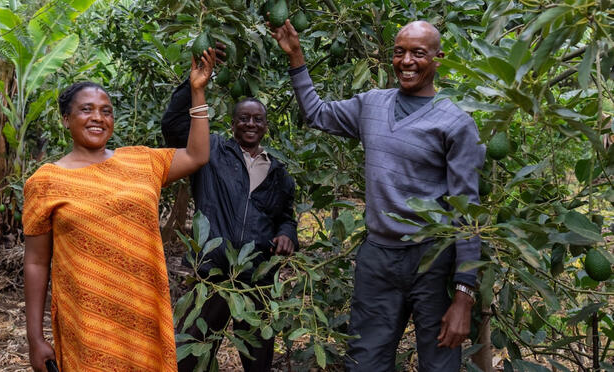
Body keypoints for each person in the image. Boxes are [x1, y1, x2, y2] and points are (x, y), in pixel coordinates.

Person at [271, 20, 485, 371]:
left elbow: (467, 210)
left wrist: (463, 295)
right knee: (365, 362)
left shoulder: (456, 121)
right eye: (399, 52)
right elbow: (316, 112)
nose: (407, 61)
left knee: (440, 362)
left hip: (432, 261)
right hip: (378, 258)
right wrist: (295, 54)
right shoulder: (372, 104)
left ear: (438, 58)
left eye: (419, 53)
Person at [23, 50, 217, 372]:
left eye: (106, 111)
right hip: (87, 323)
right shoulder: (45, 181)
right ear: (66, 119)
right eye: (86, 110)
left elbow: (197, 155)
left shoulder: (141, 161)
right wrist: (34, 337)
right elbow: (36, 262)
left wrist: (197, 91)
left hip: (143, 314)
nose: (98, 117)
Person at [161, 72, 298, 372]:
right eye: (244, 119)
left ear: (265, 126)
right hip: (211, 272)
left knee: (258, 360)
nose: (251, 124)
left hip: (256, 280)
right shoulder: (210, 152)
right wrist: (193, 85)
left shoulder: (279, 172)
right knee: (190, 353)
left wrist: (287, 234)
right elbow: (172, 126)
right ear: (233, 124)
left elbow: (285, 217)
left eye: (258, 119)